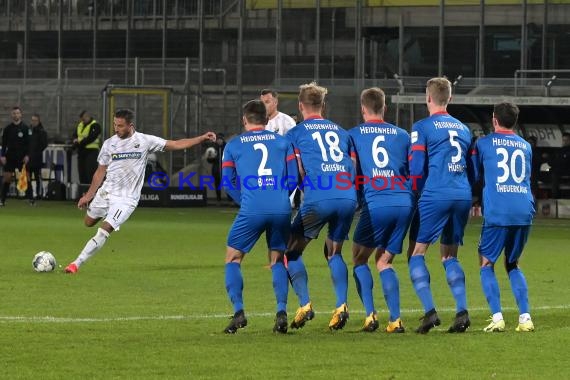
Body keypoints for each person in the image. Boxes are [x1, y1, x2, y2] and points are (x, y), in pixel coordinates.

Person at [64, 109, 216, 273]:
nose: (116, 129)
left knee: (105, 229)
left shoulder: (144, 141)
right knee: (88, 222)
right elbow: (100, 171)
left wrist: (201, 138)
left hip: (126, 199)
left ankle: (76, 263)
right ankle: (104, 213)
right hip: (106, 192)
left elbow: (175, 144)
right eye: (115, 125)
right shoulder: (109, 144)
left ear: (130, 125)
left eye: (120, 126)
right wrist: (89, 195)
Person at [220, 99, 298, 334]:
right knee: (277, 259)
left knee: (233, 259)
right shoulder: (284, 142)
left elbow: (227, 182)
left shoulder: (233, 146)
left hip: (251, 208)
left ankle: (239, 311)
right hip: (281, 207)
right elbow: (294, 178)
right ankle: (282, 312)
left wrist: (244, 200)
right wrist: (280, 196)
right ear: (267, 120)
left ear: (244, 120)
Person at [285, 82, 357, 331]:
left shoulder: (295, 133)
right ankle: (341, 306)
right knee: (334, 252)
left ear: (300, 106)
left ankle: (304, 304)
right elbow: (352, 167)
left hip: (319, 197)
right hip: (347, 197)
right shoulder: (342, 132)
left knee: (291, 251)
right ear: (323, 106)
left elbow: (298, 171)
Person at [408, 77, 472, 334]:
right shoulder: (465, 129)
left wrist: (417, 192)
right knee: (449, 255)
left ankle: (430, 312)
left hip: (436, 193)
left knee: (417, 254)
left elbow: (415, 168)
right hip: (462, 194)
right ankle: (462, 311)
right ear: (450, 98)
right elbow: (473, 169)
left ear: (428, 97)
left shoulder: (422, 126)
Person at [349, 87, 413, 333]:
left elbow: (352, 170)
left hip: (376, 203)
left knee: (358, 258)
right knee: (384, 261)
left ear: (363, 109)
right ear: (384, 108)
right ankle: (395, 320)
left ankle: (370, 316)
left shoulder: (354, 135)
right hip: (403, 204)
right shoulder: (402, 135)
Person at [469, 102, 535, 332]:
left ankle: (497, 317)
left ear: (494, 119)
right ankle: (525, 318)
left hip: (499, 210)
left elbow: (475, 174)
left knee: (486, 262)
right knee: (513, 263)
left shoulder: (484, 143)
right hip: (524, 208)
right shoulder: (526, 146)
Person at [0, 106, 34, 206]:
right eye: (14, 113)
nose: (16, 115)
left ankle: (31, 199)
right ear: (12, 115)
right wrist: (2, 156)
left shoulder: (25, 128)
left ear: (21, 115)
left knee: (26, 177)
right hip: (10, 157)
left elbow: (29, 144)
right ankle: (2, 200)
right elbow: (4, 144)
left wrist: (27, 155)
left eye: (17, 113)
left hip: (22, 157)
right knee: (7, 178)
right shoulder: (7, 129)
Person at [73, 110, 102, 184]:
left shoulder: (95, 125)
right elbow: (75, 135)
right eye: (81, 119)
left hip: (91, 152)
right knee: (82, 173)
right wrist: (75, 141)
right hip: (81, 151)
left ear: (87, 116)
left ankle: (92, 192)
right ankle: (84, 192)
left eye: (83, 119)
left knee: (90, 173)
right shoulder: (80, 125)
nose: (82, 121)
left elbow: (91, 138)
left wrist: (79, 142)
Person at [28, 113, 49, 200]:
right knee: (27, 176)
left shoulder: (42, 131)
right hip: (28, 157)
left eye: (35, 120)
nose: (33, 122)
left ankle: (37, 194)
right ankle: (29, 193)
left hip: (36, 158)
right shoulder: (29, 130)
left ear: (38, 121)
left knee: (36, 176)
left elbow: (44, 144)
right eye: (32, 120)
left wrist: (36, 151)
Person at [206, 132, 227, 203]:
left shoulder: (227, 147)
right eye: (218, 139)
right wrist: (210, 157)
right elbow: (209, 161)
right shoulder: (213, 148)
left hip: (225, 170)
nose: (219, 141)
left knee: (227, 185)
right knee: (217, 185)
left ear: (223, 140)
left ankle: (231, 200)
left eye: (220, 139)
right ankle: (219, 200)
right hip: (216, 170)